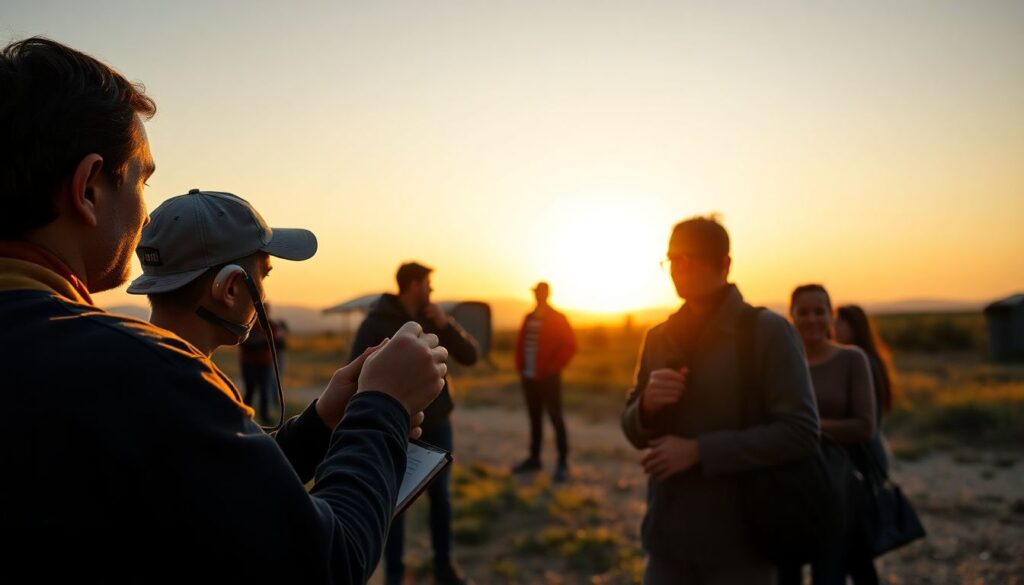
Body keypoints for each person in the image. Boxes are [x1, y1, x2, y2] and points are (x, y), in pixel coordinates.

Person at [0, 37, 445, 582]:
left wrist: (322, 424)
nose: (143, 214)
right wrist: (383, 407)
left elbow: (200, 482)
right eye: (142, 179)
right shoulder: (144, 374)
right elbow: (324, 563)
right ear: (88, 189)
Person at [621, 215, 820, 585]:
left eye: (689, 258)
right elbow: (632, 430)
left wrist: (699, 451)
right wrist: (646, 406)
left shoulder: (767, 332)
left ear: (724, 264)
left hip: (742, 541)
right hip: (668, 541)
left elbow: (801, 432)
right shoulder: (659, 337)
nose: (677, 269)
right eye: (671, 259)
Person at [349, 262, 479, 585]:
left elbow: (470, 355)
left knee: (442, 499)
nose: (432, 290)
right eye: (428, 284)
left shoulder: (431, 318)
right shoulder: (377, 323)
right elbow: (354, 371)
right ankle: (395, 574)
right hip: (398, 427)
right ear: (413, 285)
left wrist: (445, 324)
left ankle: (444, 567)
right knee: (393, 504)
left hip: (438, 423)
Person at [779, 285, 878, 585]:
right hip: (787, 484)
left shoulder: (851, 359)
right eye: (803, 312)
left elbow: (864, 425)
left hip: (837, 484)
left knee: (830, 570)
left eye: (819, 311)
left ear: (831, 316)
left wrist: (805, 428)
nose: (811, 319)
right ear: (791, 316)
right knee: (785, 571)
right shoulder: (781, 364)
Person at [835, 303, 895, 584]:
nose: (834, 328)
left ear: (854, 326)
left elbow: (863, 421)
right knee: (856, 547)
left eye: (840, 322)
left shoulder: (861, 362)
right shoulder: (868, 358)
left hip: (863, 455)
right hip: (869, 452)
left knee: (856, 545)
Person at [512, 281, 577, 482]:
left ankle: (562, 463)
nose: (537, 296)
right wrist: (521, 367)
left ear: (546, 294)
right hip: (529, 377)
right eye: (535, 293)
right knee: (535, 418)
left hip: (549, 379)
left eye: (540, 293)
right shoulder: (529, 317)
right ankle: (534, 459)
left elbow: (570, 345)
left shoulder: (557, 318)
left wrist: (553, 367)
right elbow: (521, 344)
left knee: (556, 418)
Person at [239, 301, 283, 423]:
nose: (264, 313)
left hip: (265, 363)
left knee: (265, 390)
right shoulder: (249, 325)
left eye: (266, 310)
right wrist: (262, 342)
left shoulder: (272, 325)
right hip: (249, 363)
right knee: (250, 390)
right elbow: (244, 345)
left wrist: (259, 343)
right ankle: (243, 417)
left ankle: (265, 418)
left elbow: (279, 343)